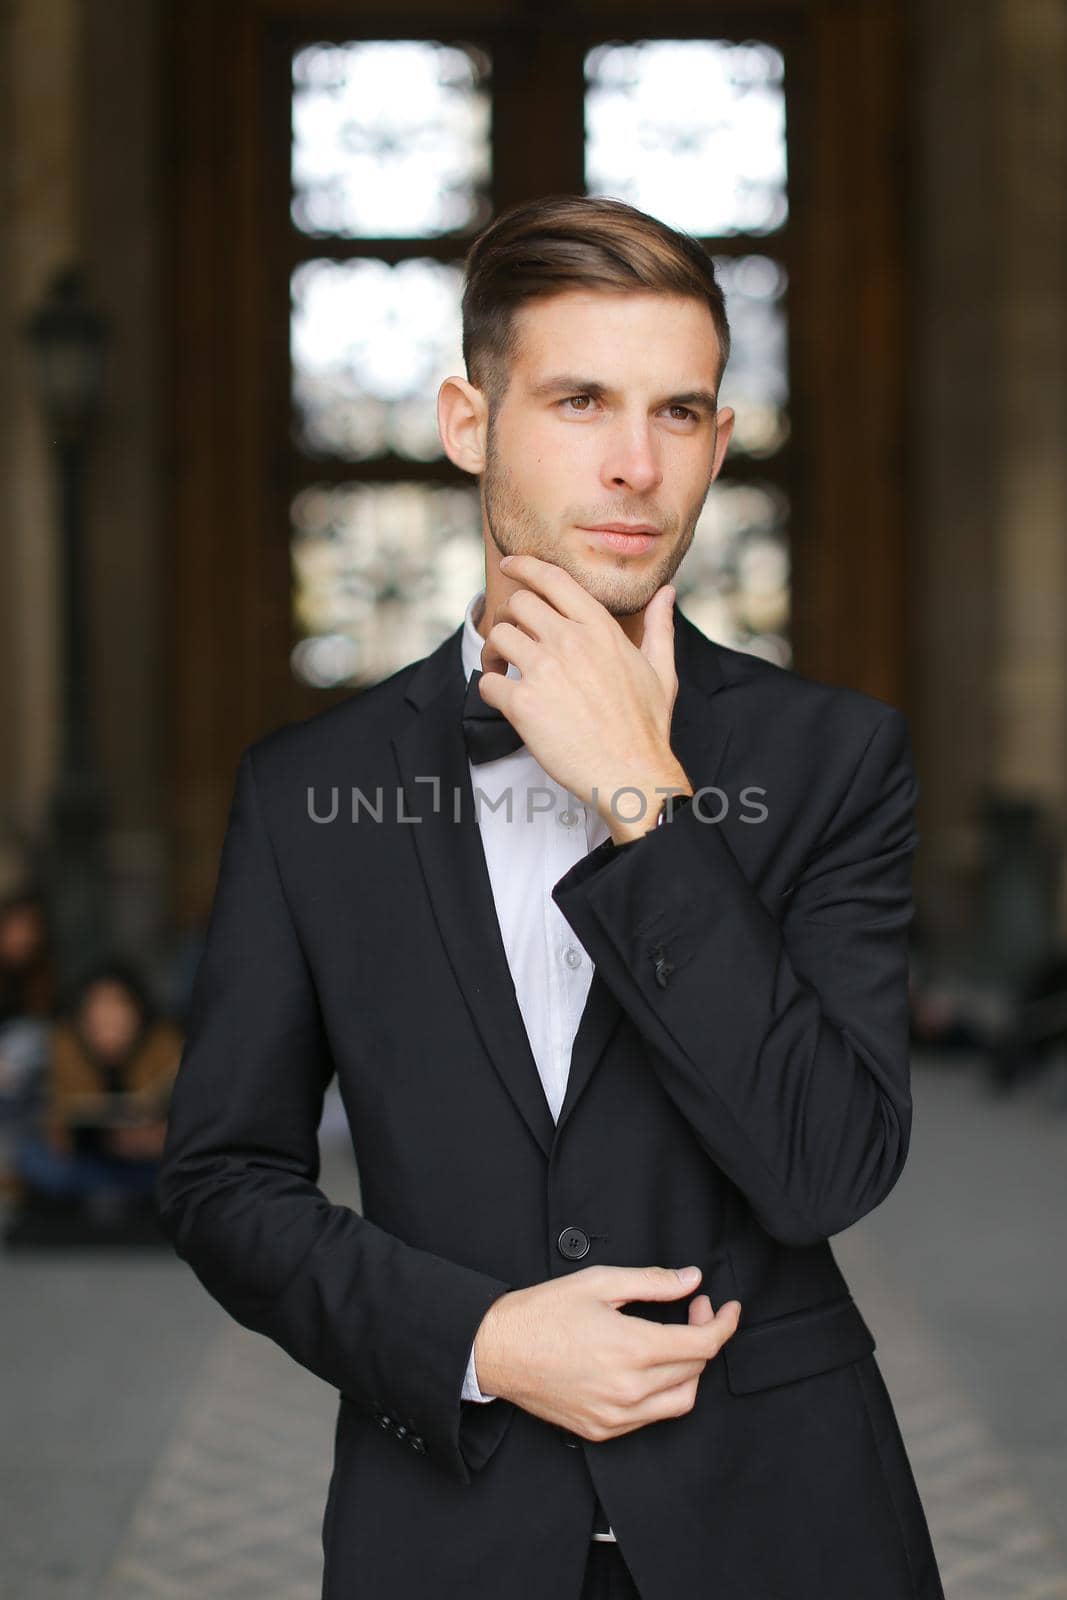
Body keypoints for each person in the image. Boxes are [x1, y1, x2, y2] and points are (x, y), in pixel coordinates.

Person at [157, 195, 944, 1600]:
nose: (634, 465)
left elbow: (825, 1166)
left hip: (785, 1524)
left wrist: (644, 801)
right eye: (579, 401)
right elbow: (223, 1181)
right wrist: (479, 1338)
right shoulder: (304, 791)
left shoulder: (832, 759)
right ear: (470, 422)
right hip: (445, 1532)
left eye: (680, 412)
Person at [13, 958, 181, 1211]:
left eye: (118, 1009)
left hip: (146, 1162)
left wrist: (154, 1138)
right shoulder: (64, 1046)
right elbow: (54, 1122)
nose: (110, 1022)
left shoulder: (165, 1045)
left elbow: (187, 1123)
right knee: (33, 1160)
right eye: (99, 1011)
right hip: (86, 1161)